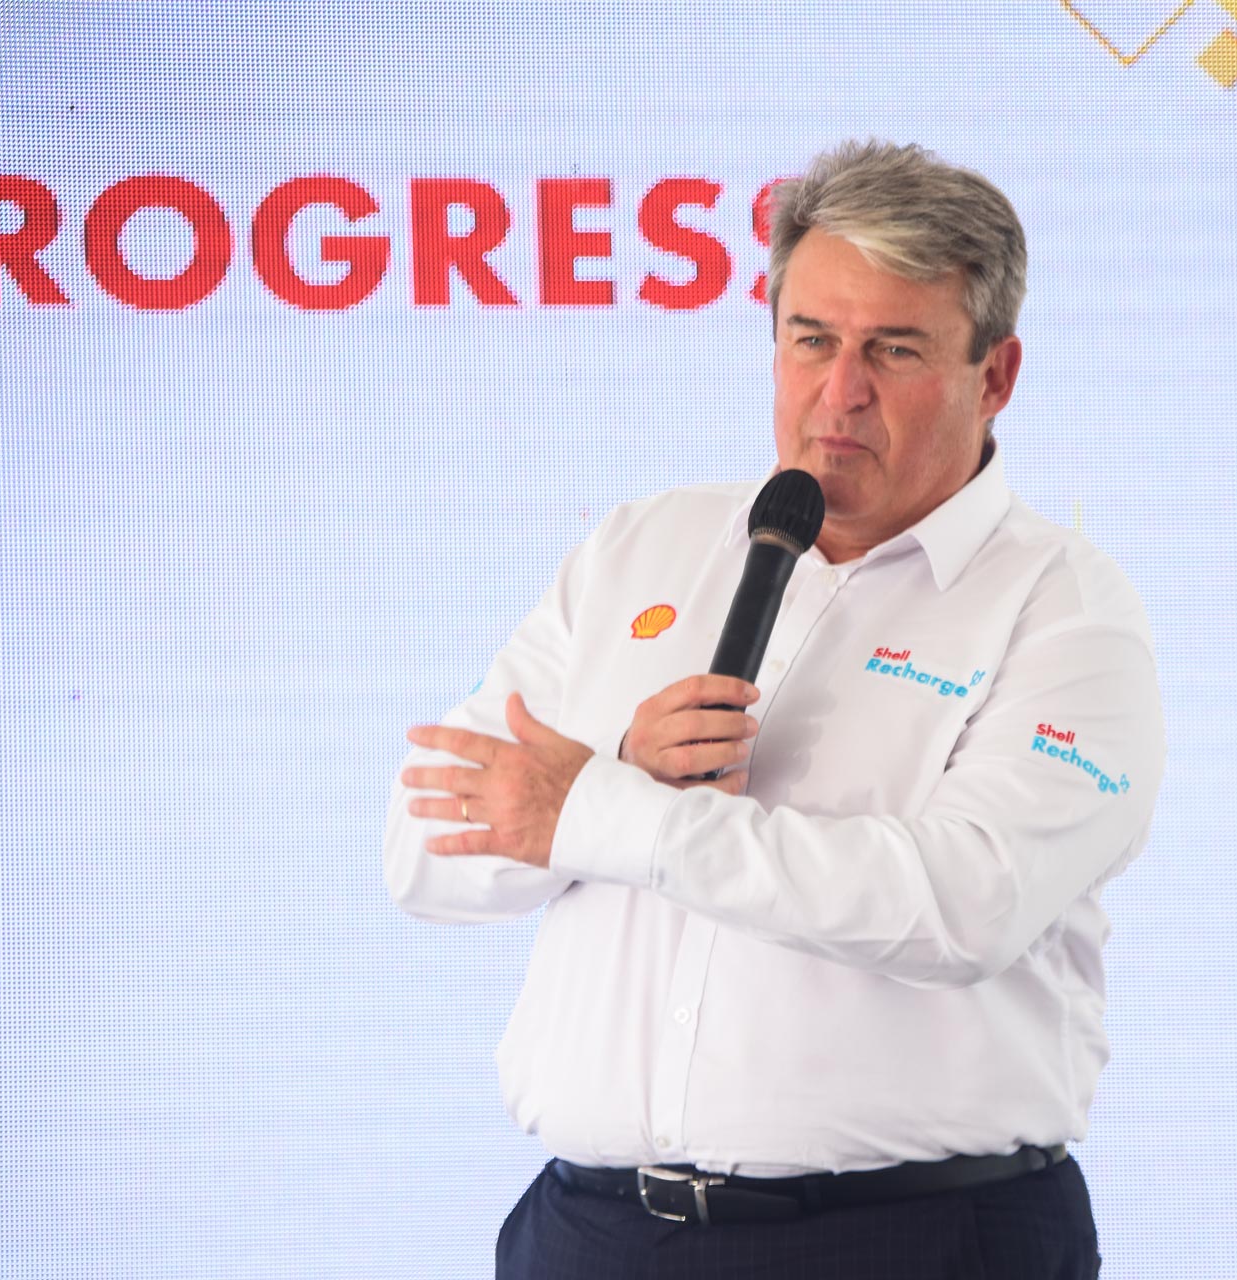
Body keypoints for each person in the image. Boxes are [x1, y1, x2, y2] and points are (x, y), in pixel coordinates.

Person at [383, 138, 1164, 1279]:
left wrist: (607, 813)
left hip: (913, 1240)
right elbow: (425, 852)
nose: (840, 392)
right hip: (593, 1235)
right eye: (812, 340)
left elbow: (963, 905)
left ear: (995, 376)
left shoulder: (1066, 610)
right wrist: (618, 769)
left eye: (894, 349)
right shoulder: (641, 545)